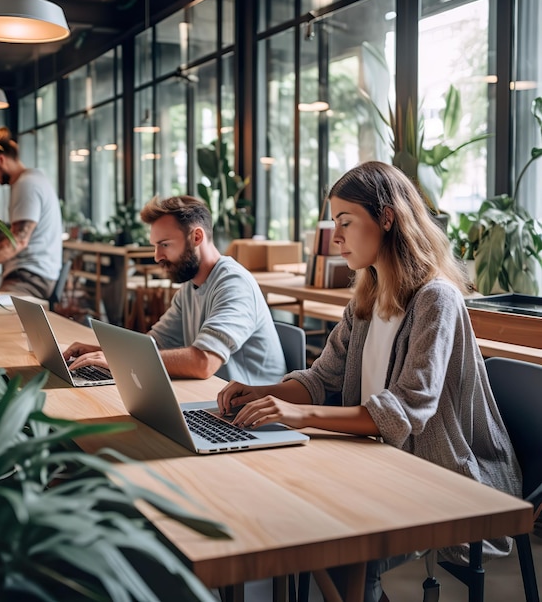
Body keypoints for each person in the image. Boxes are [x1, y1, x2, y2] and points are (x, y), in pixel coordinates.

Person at [216, 161, 522, 602]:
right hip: (378, 460)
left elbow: (407, 409)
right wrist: (265, 392)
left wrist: (299, 414)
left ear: (387, 218)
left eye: (345, 222)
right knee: (282, 506)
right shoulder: (368, 295)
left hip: (444, 472)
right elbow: (323, 377)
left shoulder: (436, 299)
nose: (335, 237)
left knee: (338, 538)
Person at [64, 195, 287, 384]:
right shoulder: (190, 288)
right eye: (155, 245)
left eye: (165, 244)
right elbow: (154, 344)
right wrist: (103, 351)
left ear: (197, 237)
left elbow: (204, 363)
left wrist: (122, 360)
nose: (157, 256)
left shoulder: (234, 284)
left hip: (254, 410)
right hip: (214, 397)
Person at [0, 127, 63, 300]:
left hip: (32, 277)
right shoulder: (30, 180)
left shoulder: (27, 185)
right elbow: (17, 230)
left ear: (1, 160)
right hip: (29, 273)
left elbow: (20, 239)